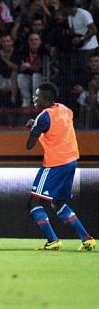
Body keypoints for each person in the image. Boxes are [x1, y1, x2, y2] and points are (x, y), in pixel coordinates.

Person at [26, 82, 96, 251]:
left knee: (33, 202)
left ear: (45, 98)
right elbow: (55, 131)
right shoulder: (65, 110)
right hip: (71, 161)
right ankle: (87, 239)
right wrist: (38, 125)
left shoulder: (43, 117)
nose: (34, 98)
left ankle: (52, 240)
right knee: (57, 203)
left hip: (54, 164)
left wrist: (34, 127)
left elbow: (29, 145)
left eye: (37, 95)